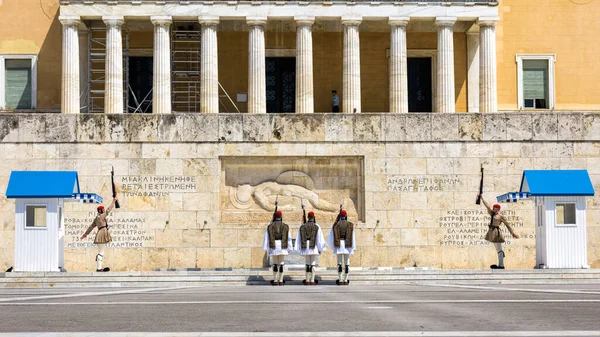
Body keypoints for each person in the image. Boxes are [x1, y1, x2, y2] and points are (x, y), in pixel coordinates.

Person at [477, 194, 519, 269]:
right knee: (498, 249)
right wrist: (482, 198)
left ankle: (501, 265)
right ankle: (500, 264)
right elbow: (487, 205)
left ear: (498, 209)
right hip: (492, 232)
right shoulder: (492, 214)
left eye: (496, 208)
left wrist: (512, 233)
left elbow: (507, 224)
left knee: (499, 250)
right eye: (494, 207)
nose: (495, 209)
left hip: (497, 233)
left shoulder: (500, 216)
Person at [81, 197, 118, 272]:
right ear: (101, 210)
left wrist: (85, 234)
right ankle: (99, 268)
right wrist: (113, 201)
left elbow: (91, 226)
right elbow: (108, 210)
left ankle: (99, 267)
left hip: (99, 233)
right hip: (103, 233)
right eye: (103, 209)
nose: (104, 210)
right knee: (101, 252)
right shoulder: (102, 216)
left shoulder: (96, 218)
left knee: (101, 251)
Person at [262, 210, 293, 285]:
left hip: (274, 246)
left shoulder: (270, 226)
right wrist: (289, 248)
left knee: (275, 264)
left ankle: (275, 281)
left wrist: (265, 246)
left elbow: (267, 237)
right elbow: (289, 238)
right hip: (282, 246)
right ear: (281, 216)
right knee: (281, 263)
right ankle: (281, 280)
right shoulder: (285, 226)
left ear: (274, 216)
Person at [295, 211, 326, 285]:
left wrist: (299, 248)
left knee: (307, 264)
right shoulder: (316, 226)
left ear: (308, 217)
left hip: (305, 247)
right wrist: (320, 248)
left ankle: (307, 279)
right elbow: (319, 239)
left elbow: (299, 237)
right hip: (313, 246)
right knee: (312, 264)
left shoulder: (302, 226)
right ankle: (312, 280)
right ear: (314, 217)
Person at [327, 209, 356, 285]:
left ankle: (340, 280)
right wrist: (353, 246)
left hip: (339, 245)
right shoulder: (350, 224)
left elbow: (331, 236)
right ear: (346, 215)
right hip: (347, 245)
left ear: (340, 216)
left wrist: (333, 245)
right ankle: (345, 280)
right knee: (347, 264)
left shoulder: (336, 225)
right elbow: (352, 237)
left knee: (339, 264)